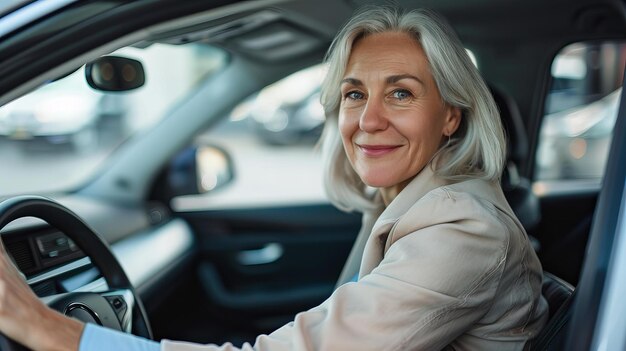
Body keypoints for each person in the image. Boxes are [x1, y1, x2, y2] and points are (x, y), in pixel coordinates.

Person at [0, 6, 548, 351]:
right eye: (356, 93)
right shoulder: (406, 204)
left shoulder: (461, 230)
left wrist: (53, 331)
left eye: (401, 93)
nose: (368, 120)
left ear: (451, 115)